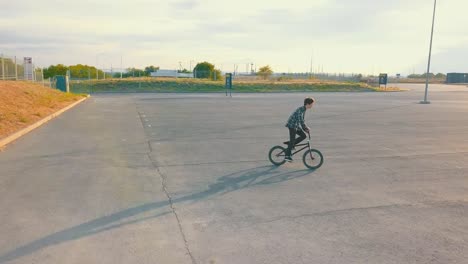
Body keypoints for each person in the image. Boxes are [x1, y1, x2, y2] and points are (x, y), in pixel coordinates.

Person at [284, 97, 315, 162]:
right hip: (292, 125)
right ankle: (287, 156)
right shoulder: (300, 110)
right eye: (311, 104)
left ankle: (291, 144)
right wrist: (305, 128)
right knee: (292, 140)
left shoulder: (304, 109)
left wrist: (306, 128)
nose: (312, 105)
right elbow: (300, 120)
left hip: (296, 125)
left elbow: (302, 120)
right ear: (307, 104)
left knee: (304, 136)